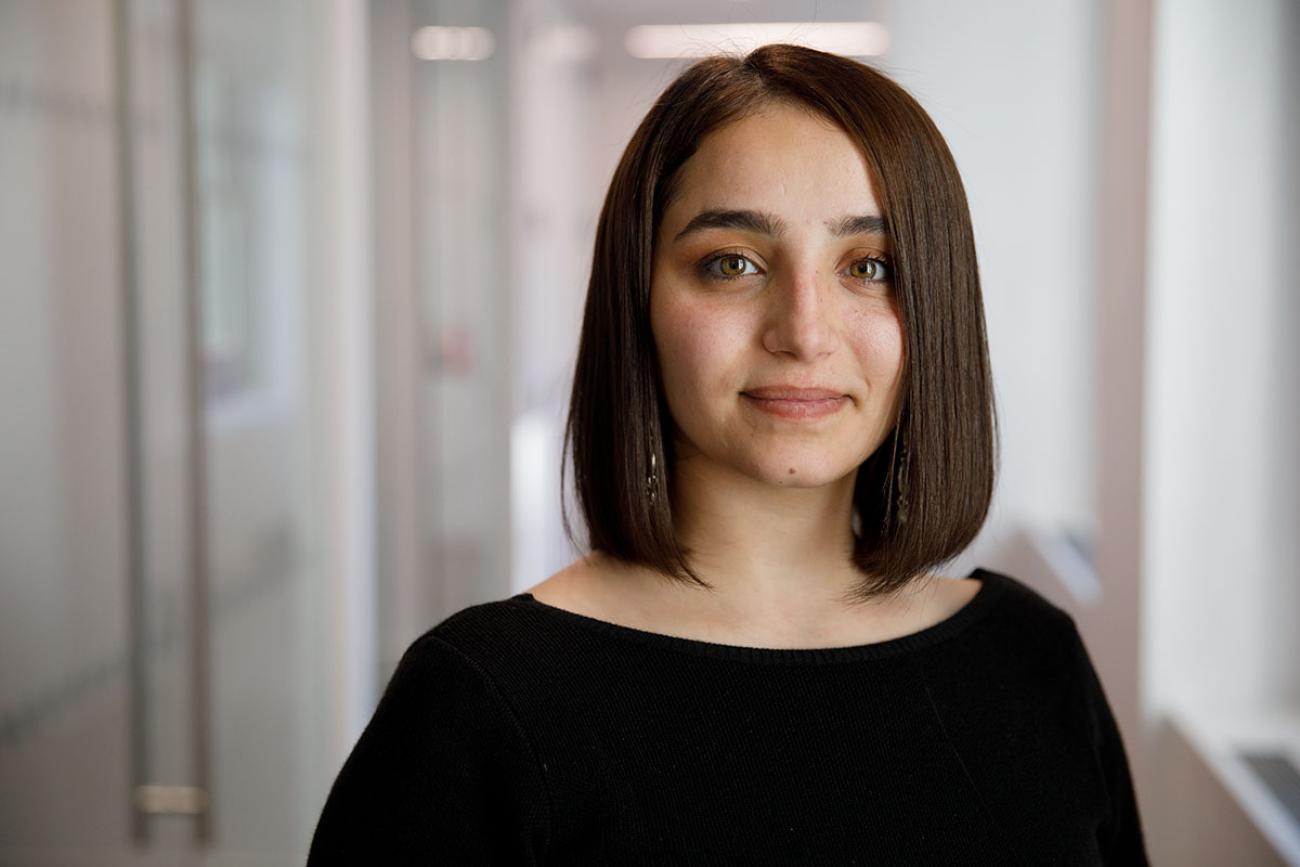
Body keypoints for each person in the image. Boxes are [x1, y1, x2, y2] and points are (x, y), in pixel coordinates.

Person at [307, 43, 1149, 865]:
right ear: (638, 299)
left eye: (870, 266)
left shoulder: (1035, 662)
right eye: (733, 263)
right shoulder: (476, 702)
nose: (804, 332)